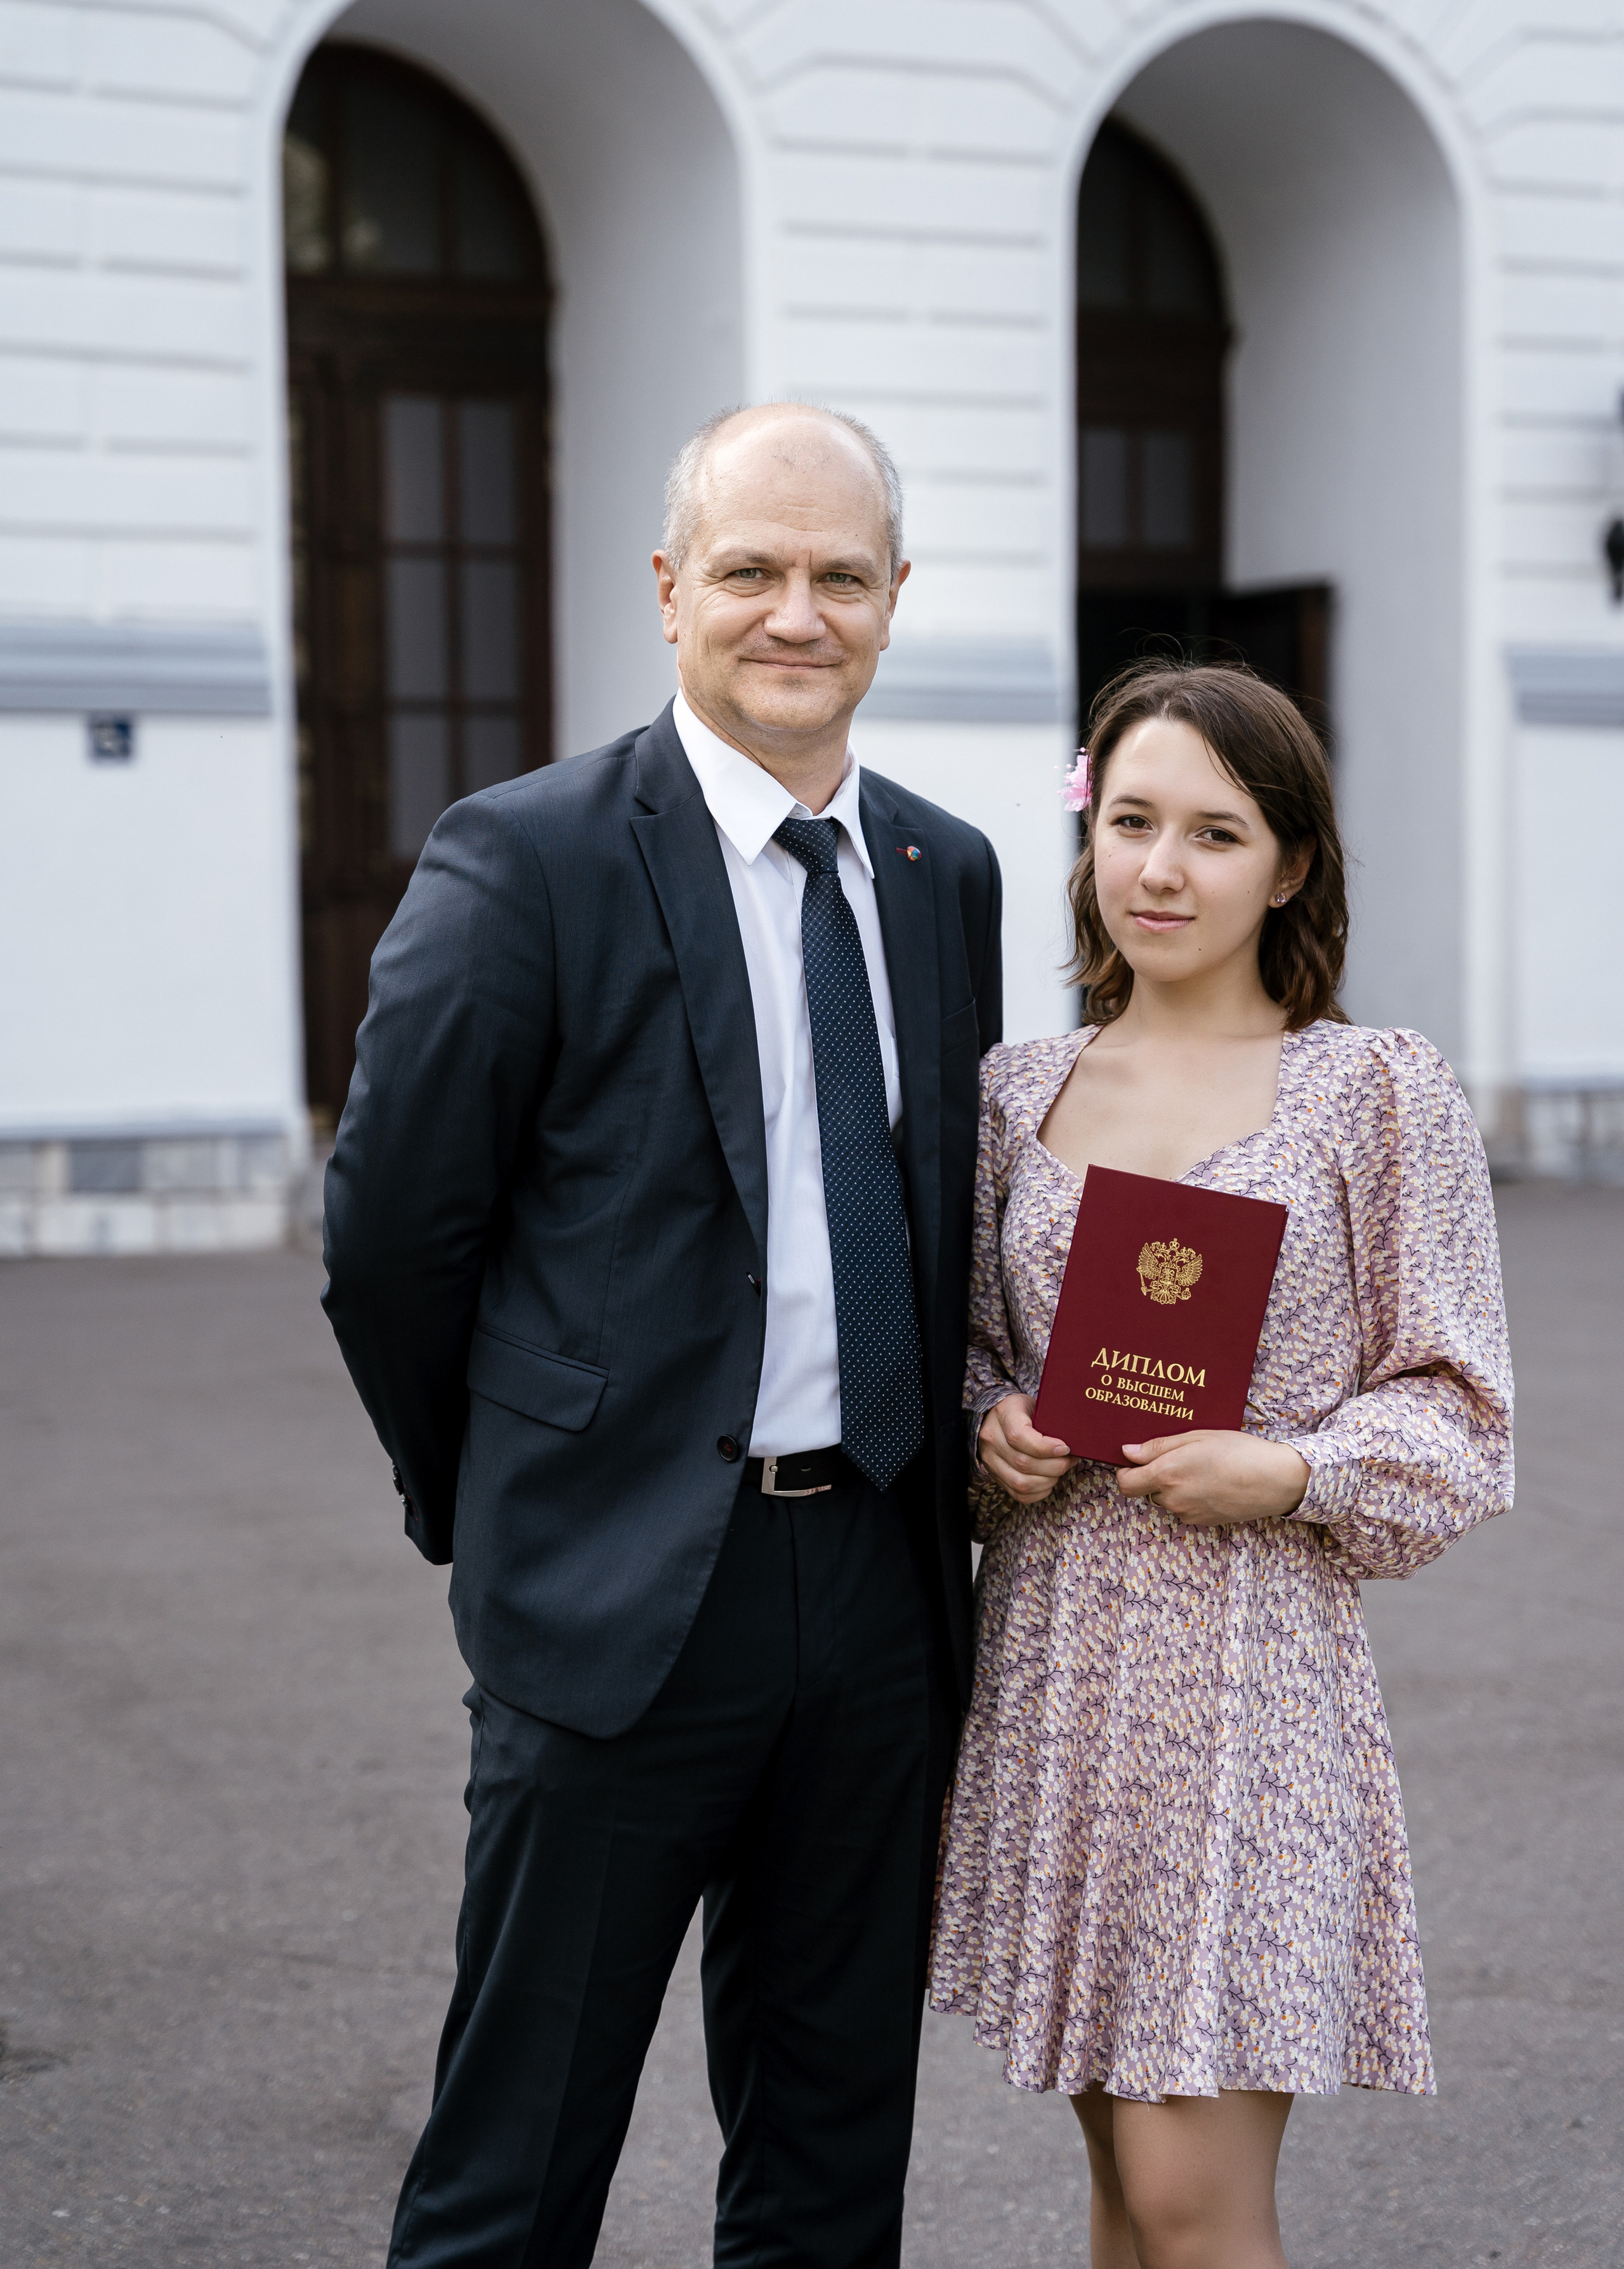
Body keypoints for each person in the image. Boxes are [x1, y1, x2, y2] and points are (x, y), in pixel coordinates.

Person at [322, 401, 1002, 2268]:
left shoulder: (945, 873)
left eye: (839, 576)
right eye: (750, 570)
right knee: (513, 2175)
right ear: (668, 588)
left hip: (877, 1597)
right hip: (615, 1600)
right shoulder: (523, 856)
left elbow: (943, 1212)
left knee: (829, 2168)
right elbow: (391, 1245)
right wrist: (505, 1497)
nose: (797, 613)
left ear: (895, 596)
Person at [928, 659, 1514, 2269]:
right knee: (1122, 2194)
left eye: (1213, 832)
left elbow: (1459, 1409)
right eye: (1130, 822)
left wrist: (1294, 1472)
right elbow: (961, 1358)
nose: (1161, 870)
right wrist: (989, 1434)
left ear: (1290, 864)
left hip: (1251, 1687)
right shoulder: (1014, 1093)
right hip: (1056, 1674)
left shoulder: (1373, 1092)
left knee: (1191, 2200)